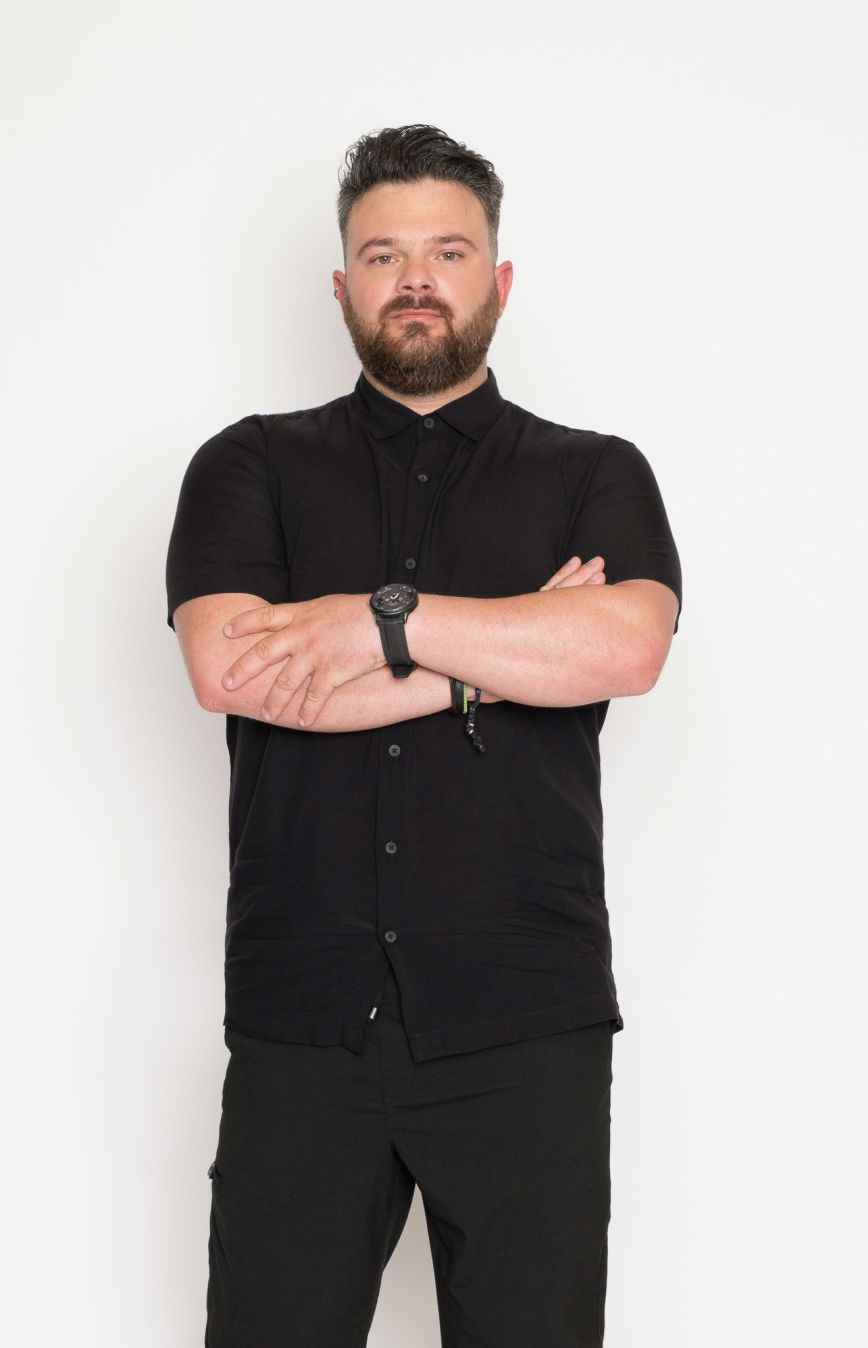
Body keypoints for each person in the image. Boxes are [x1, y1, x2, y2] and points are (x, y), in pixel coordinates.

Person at [165, 123, 682, 1348]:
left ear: (497, 280)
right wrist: (497, 661)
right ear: (340, 285)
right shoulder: (247, 464)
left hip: (525, 1021)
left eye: (446, 252)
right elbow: (232, 671)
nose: (414, 279)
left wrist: (372, 621)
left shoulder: (594, 473)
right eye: (382, 254)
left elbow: (626, 648)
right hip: (304, 1019)